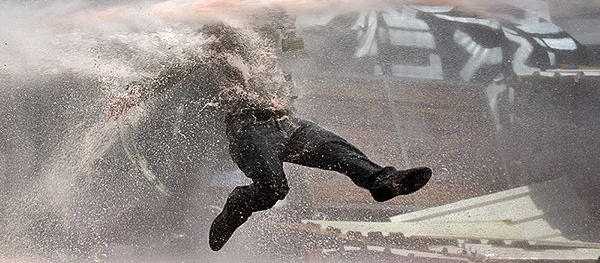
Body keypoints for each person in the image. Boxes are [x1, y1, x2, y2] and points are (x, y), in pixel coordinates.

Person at [108, 23, 432, 252]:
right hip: (248, 128)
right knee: (275, 188)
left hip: (287, 124)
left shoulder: (273, 38)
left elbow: (302, 45)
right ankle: (237, 206)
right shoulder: (224, 33)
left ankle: (382, 182)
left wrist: (296, 32)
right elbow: (179, 66)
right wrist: (135, 94)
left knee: (338, 151)